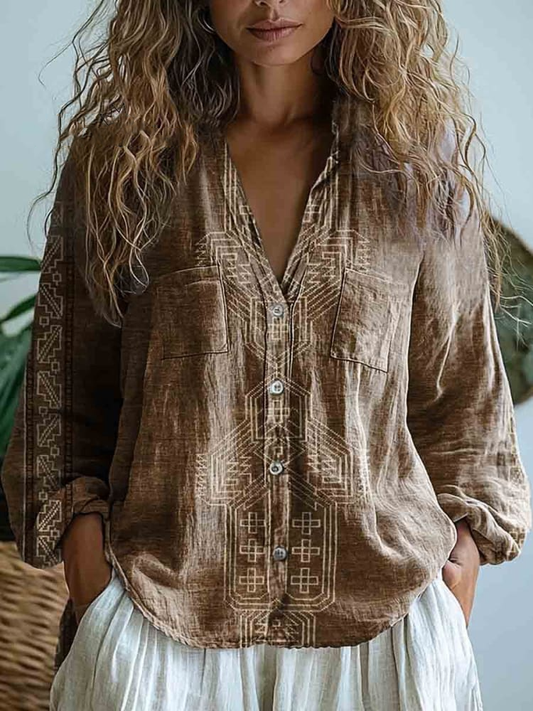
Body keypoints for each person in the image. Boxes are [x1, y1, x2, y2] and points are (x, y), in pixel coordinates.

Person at [2, 0, 531, 709]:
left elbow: (463, 400)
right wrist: (91, 574)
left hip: (382, 632)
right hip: (161, 622)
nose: (270, 3)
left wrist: (457, 574)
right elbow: (64, 394)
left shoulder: (415, 170)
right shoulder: (126, 165)